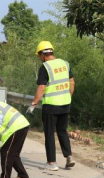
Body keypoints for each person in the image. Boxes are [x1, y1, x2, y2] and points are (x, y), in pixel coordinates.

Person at [29, 41, 75, 171]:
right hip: (65, 104)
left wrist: (34, 103)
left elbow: (42, 87)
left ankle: (51, 163)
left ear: (42, 55)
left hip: (51, 105)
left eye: (39, 56)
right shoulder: (65, 64)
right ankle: (69, 156)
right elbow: (72, 82)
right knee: (62, 131)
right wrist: (68, 96)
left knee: (49, 134)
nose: (39, 59)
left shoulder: (45, 67)